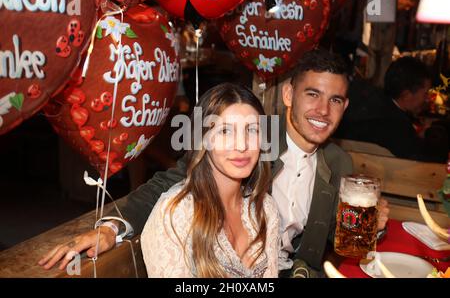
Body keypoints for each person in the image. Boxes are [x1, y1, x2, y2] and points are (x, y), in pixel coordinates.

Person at [39, 49, 390, 276]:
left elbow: (331, 235)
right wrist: (111, 228)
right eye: (312, 94)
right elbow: (173, 184)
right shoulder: (255, 140)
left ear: (345, 107)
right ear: (288, 95)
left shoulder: (338, 162)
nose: (322, 111)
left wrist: (371, 226)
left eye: (335, 100)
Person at [140, 83, 279, 277]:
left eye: (252, 130)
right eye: (225, 131)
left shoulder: (264, 209)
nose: (242, 145)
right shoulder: (177, 213)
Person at [336, 56, 448, 162]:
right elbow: (423, 165)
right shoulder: (397, 126)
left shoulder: (363, 102)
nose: (427, 99)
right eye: (425, 93)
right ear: (406, 95)